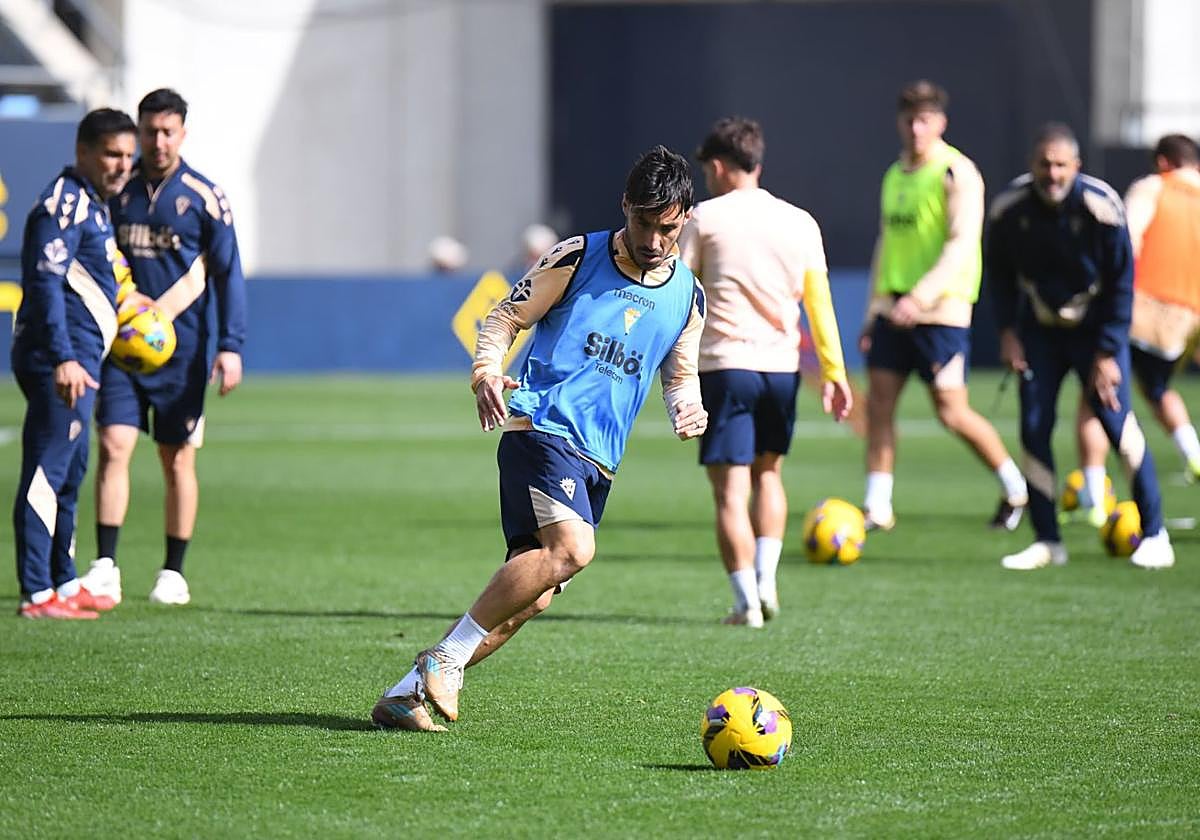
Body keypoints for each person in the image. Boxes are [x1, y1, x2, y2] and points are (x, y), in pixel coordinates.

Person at [372, 145, 708, 731]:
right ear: (626, 206)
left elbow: (680, 375)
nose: (654, 240)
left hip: (600, 459)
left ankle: (404, 695)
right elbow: (504, 318)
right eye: (644, 223)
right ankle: (445, 661)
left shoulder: (689, 297)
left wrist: (688, 408)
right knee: (573, 550)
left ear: (685, 219)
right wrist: (484, 372)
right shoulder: (578, 256)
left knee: (535, 593)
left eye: (668, 228)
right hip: (541, 427)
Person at [677, 117, 852, 628]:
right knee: (769, 473)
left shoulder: (703, 218)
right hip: (781, 368)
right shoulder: (800, 221)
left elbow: (679, 294)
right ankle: (768, 580)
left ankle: (745, 602)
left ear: (716, 166)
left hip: (726, 365)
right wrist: (835, 372)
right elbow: (818, 303)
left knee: (729, 490)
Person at [79, 88, 247, 607]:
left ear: (182, 133)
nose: (157, 141)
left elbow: (228, 273)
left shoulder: (203, 196)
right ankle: (105, 564)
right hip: (122, 351)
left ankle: (173, 572)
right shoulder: (118, 190)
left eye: (166, 131)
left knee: (176, 460)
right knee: (113, 448)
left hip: (184, 353)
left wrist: (230, 344)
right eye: (149, 130)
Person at [987, 122, 1174, 570]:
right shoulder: (1010, 209)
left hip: (1095, 336)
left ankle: (1155, 534)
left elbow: (1122, 284)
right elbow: (997, 274)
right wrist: (1008, 332)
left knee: (1117, 425)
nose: (1052, 174)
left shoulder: (1102, 207)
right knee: (1034, 428)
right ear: (1032, 166)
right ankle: (1048, 540)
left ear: (1076, 166)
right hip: (1042, 334)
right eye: (1044, 165)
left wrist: (1108, 352)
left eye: (1060, 165)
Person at [860, 80, 1028, 532]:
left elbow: (961, 245)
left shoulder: (957, 173)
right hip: (893, 310)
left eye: (925, 120)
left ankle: (1017, 487)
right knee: (878, 407)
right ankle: (877, 506)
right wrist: (872, 310)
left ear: (940, 123)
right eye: (910, 119)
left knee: (951, 410)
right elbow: (886, 244)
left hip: (941, 312)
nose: (917, 129)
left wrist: (921, 297)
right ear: (900, 122)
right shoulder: (895, 174)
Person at [11, 108, 136, 618]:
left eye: (129, 156)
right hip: (58, 361)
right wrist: (63, 356)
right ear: (83, 152)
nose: (121, 165)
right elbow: (43, 282)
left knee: (72, 469)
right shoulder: (63, 205)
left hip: (84, 360)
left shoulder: (94, 205)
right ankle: (37, 592)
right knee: (48, 469)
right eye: (111, 154)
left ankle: (63, 581)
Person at [1066, 134, 1200, 523]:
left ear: (1162, 162)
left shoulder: (1153, 188)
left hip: (1147, 308)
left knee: (1096, 393)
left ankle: (1094, 496)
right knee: (1157, 388)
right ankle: (1192, 454)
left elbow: (1124, 236)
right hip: (1191, 315)